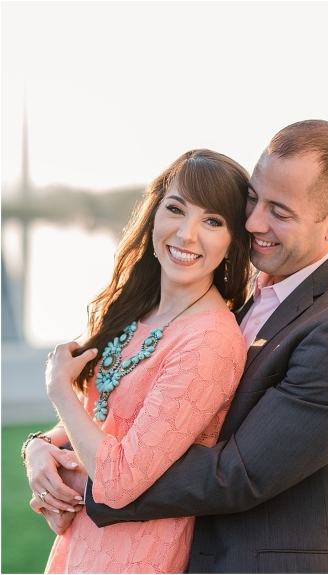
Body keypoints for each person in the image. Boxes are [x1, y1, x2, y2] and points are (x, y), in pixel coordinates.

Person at [29, 120, 328, 573]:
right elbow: (144, 412)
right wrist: (42, 447)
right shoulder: (243, 293)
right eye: (253, 198)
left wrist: (88, 483)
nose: (253, 222)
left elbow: (237, 474)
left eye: (280, 211)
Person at [25, 149, 253, 572]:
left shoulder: (210, 341)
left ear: (233, 241)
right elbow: (107, 415)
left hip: (137, 554)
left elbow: (116, 481)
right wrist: (40, 448)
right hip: (84, 545)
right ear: (154, 214)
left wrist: (59, 391)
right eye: (176, 209)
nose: (186, 235)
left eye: (212, 221)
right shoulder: (142, 309)